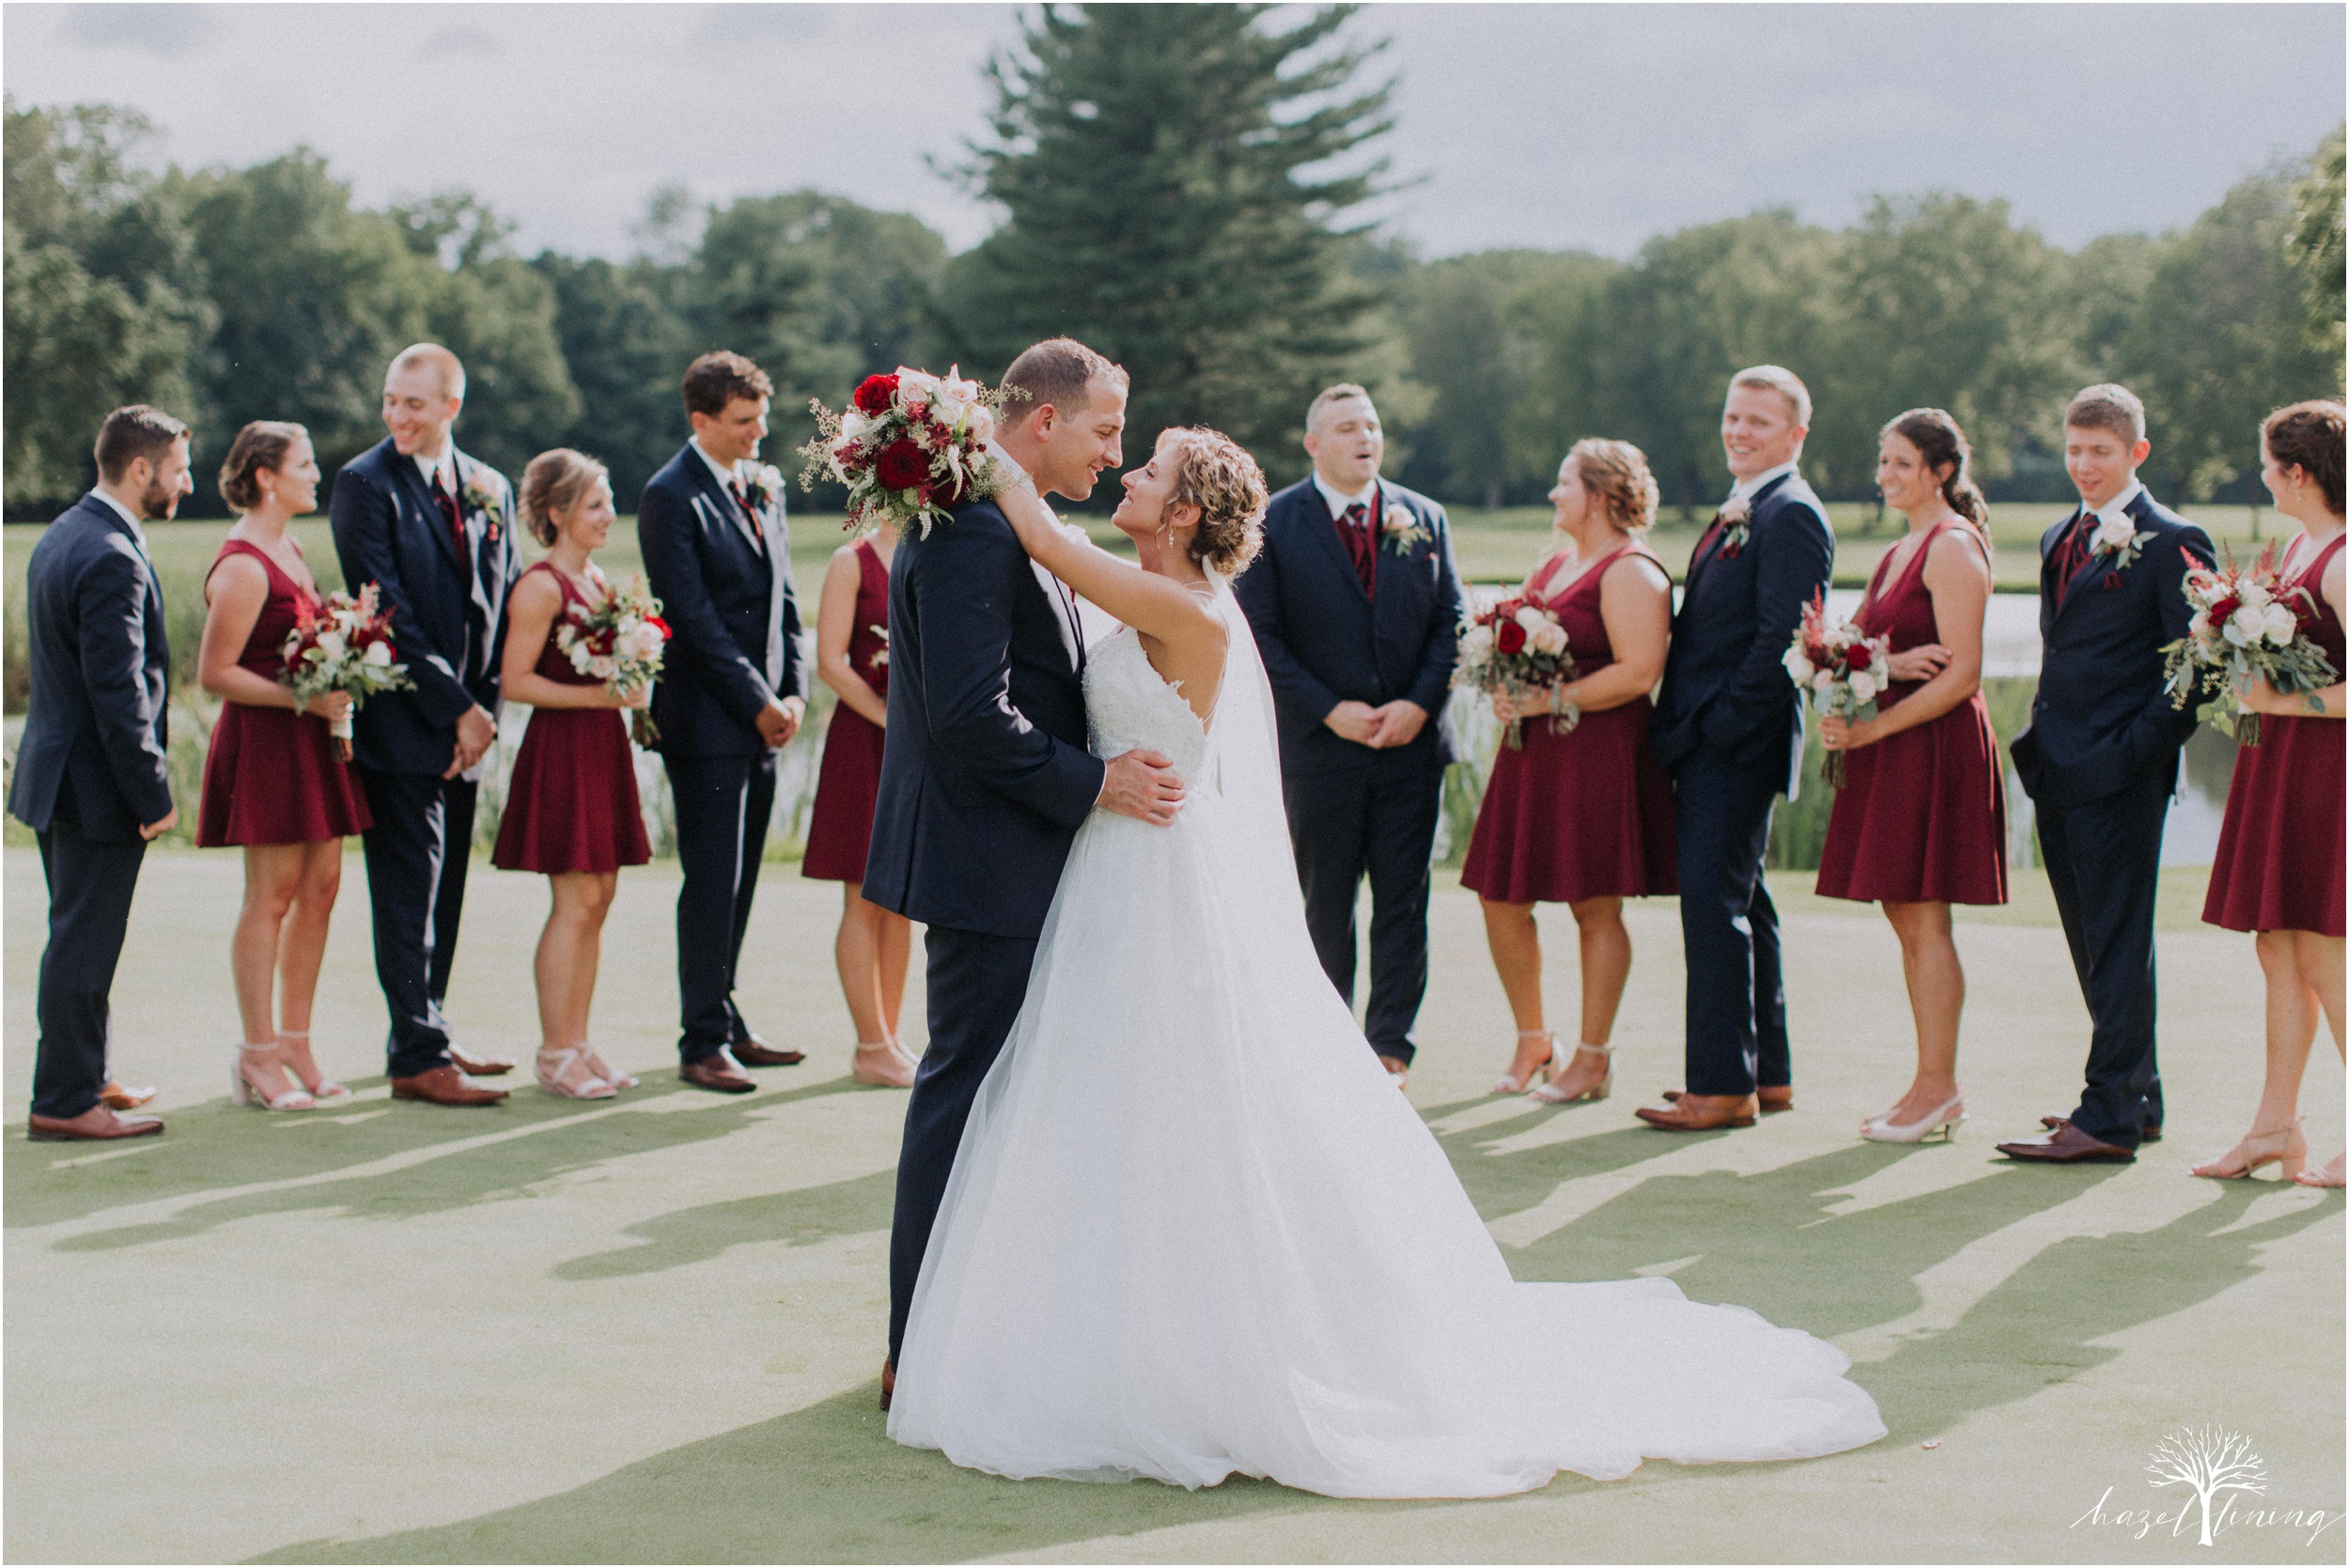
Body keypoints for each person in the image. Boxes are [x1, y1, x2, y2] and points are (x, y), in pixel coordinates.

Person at [887, 421, 1886, 1497]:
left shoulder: (1186, 611)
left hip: (1158, 883)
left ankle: (1199, 1354)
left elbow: (1043, 537)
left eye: (1151, 472)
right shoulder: (1147, 588)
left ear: (1182, 514)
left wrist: (962, 438)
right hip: (1112, 877)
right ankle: (1089, 1330)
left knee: (1181, 1109)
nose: (1128, 475)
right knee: (1104, 1109)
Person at [864, 337, 1183, 1410]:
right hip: (983, 856)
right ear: (1041, 421)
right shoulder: (969, 534)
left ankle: (989, 1326)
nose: (1114, 452)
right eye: (1104, 430)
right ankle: (918, 1345)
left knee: (1014, 1096)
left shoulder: (1007, 523)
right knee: (965, 1091)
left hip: (1014, 854)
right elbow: (967, 718)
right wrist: (1095, 782)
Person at [1997, 384, 2216, 1164]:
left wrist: (2127, 757)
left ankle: (2108, 1116)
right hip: (2056, 769)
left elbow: (2198, 674)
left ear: (2136, 454)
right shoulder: (2061, 533)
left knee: (2117, 942)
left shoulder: (2174, 539)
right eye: (2075, 449)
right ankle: (2137, 1095)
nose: (2084, 465)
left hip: (2120, 776)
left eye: (2101, 452)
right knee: (2095, 942)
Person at [1232, 384, 1465, 1085]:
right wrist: (1328, 709)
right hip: (1320, 749)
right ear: (1313, 444)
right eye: (1345, 427)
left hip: (1409, 747)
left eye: (1371, 425)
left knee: (1404, 899)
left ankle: (1390, 1047)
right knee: (1324, 901)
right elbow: (1258, 638)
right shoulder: (1274, 523)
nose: (1364, 436)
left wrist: (1418, 706)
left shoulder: (1426, 517)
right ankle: (1327, 1044)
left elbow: (1451, 623)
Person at [330, 343, 521, 1107]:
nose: (395, 415)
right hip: (406, 726)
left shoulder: (489, 485)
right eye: (389, 400)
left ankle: (429, 1029)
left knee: (448, 892)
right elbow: (389, 613)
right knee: (408, 894)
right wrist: (457, 711)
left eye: (413, 403)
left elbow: (502, 606)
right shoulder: (362, 484)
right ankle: (416, 1050)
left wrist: (486, 716)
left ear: (451, 407)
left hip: (471, 727)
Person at [1642, 367, 1834, 1132]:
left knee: (1713, 909)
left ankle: (1720, 1087)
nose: (1739, 431)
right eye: (1732, 416)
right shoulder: (1745, 507)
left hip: (1735, 744)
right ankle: (1769, 1075)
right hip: (1715, 740)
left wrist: (1713, 729)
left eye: (1758, 420)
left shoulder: (1790, 514)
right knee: (1747, 902)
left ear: (1795, 433)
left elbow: (1780, 640)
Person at [1461, 440, 1675, 1103]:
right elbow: (1519, 643)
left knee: (1593, 902)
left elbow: (1640, 672)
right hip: (1534, 750)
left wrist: (1552, 699)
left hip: (1597, 750)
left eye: (1564, 483)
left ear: (1601, 495)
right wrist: (1504, 685)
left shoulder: (1633, 570)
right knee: (1500, 895)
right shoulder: (1555, 562)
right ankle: (1534, 1039)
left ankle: (1593, 1056)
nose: (1554, 494)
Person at [1814, 410, 2007, 1143]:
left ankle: (1939, 1087)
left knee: (1925, 915)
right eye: (1882, 461)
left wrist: (1876, 726)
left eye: (1901, 463)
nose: (1885, 475)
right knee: (1903, 913)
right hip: (1891, 743)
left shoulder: (1954, 547)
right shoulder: (1900, 549)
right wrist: (1878, 671)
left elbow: (1964, 674)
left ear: (1942, 472)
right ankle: (1927, 1083)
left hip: (1931, 743)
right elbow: (1869, 647)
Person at [9, 406, 190, 1141]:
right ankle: (62, 1099)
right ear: (141, 468)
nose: (185, 481)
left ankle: (88, 1073)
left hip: (57, 777)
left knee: (79, 934)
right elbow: (118, 694)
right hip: (96, 787)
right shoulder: (112, 553)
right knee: (85, 942)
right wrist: (152, 793)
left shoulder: (65, 531)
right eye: (177, 468)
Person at [637, 351, 809, 1094]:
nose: (759, 432)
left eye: (761, 416)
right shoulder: (669, 496)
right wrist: (756, 700)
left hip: (767, 717)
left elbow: (788, 604)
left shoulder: (762, 487)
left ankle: (727, 1015)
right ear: (700, 420)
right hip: (707, 721)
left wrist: (796, 693)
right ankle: (700, 1038)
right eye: (744, 421)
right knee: (711, 878)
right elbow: (692, 619)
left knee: (740, 881)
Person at [196, 421, 375, 1112]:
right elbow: (215, 673)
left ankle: (297, 1039)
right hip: (268, 741)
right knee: (270, 896)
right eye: (303, 464)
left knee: (322, 886)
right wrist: (302, 697)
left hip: (310, 740)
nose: (314, 474)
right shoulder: (242, 564)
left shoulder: (292, 547)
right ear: (265, 475)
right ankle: (257, 1052)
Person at [2193, 401, 2346, 1188]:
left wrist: (2281, 702)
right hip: (2280, 758)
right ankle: (2274, 1128)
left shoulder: (2345, 560)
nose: (2261, 475)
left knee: (2323, 946)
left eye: (2266, 464)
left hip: (2327, 768)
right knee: (2278, 943)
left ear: (2296, 473)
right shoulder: (2294, 546)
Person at [490, 450, 653, 1100]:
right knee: (574, 899)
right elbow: (515, 680)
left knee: (601, 896)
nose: (609, 514)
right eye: (595, 504)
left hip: (602, 744)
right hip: (562, 747)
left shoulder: (598, 579)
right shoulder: (541, 586)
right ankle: (554, 1050)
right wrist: (600, 698)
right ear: (556, 513)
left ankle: (579, 1039)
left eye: (608, 501)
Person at [804, 530, 917, 1088]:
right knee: (863, 893)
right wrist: (889, 717)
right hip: (864, 741)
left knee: (901, 900)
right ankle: (869, 1043)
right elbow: (830, 663)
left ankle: (889, 1041)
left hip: (916, 749)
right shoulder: (851, 560)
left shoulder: (933, 553)